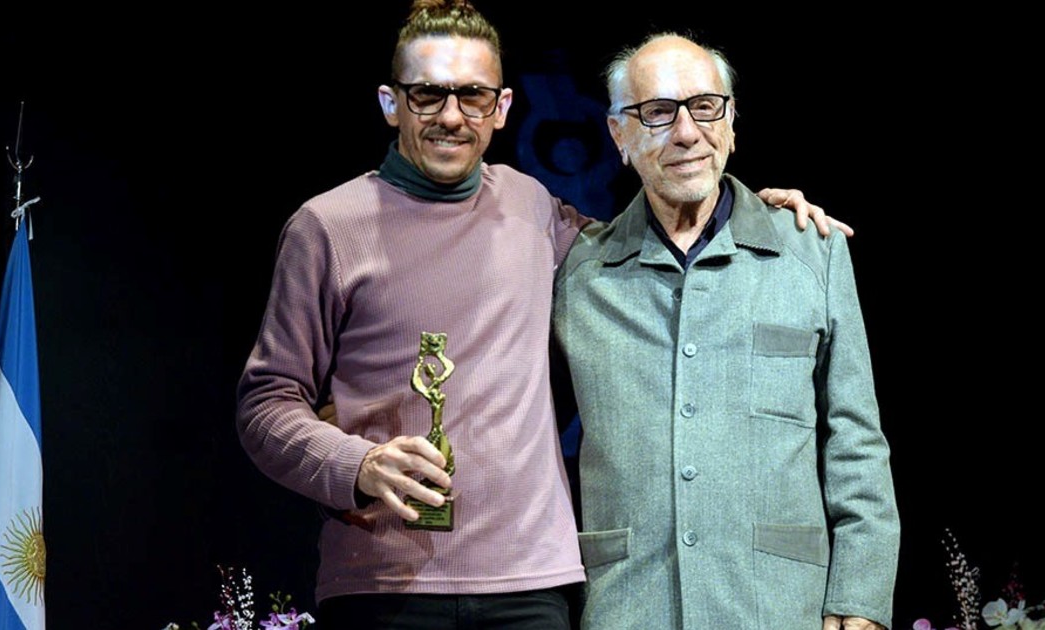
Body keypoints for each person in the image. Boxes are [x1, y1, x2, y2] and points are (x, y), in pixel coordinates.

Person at [237, 3, 829, 627]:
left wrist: (752, 213)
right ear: (391, 104)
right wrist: (355, 464)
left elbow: (650, 244)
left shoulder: (532, 208)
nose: (451, 116)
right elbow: (265, 403)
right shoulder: (326, 227)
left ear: (502, 108)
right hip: (383, 579)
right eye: (427, 95)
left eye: (472, 96)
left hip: (533, 584)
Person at [551, 34, 900, 630]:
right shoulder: (579, 275)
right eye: (658, 112)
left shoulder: (811, 254)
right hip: (628, 606)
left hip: (778, 604)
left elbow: (857, 441)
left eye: (705, 107)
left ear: (732, 122)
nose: (687, 132)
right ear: (619, 136)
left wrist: (859, 595)